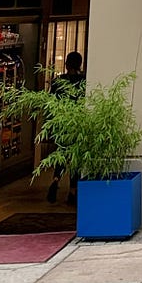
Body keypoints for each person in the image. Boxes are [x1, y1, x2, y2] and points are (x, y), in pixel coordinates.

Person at [45, 50, 86, 204]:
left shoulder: (58, 81)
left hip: (61, 124)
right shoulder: (83, 82)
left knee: (61, 154)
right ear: (80, 64)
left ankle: (56, 179)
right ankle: (72, 191)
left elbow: (50, 104)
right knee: (76, 158)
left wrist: (49, 126)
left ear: (66, 64)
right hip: (77, 124)